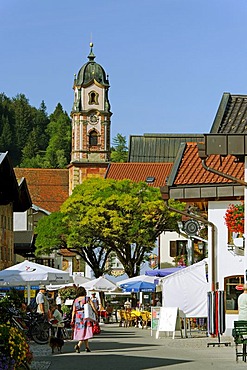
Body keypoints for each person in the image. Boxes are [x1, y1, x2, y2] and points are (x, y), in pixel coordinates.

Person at [71, 287, 98, 353]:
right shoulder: (87, 298)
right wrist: (96, 313)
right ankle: (78, 345)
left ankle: (87, 347)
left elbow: (73, 310)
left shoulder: (76, 300)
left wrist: (72, 319)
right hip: (85, 315)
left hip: (78, 316)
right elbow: (93, 307)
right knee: (85, 331)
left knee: (83, 332)